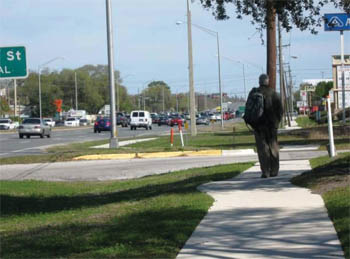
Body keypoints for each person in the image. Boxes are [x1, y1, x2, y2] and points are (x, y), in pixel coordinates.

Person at [248, 74, 283, 178]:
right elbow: (280, 111)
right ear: (268, 81)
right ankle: (274, 171)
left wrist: (252, 122)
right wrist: (276, 123)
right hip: (271, 126)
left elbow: (249, 109)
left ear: (259, 82)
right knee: (273, 147)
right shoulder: (273, 94)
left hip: (258, 126)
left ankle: (265, 171)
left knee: (262, 149)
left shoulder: (254, 93)